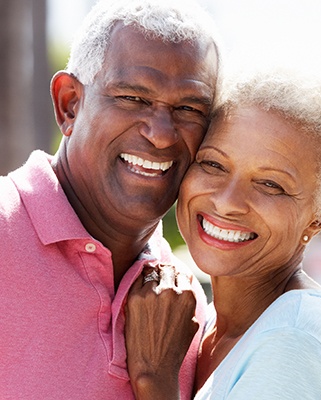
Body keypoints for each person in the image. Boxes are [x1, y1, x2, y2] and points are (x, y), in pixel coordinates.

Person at [125, 52, 321, 399]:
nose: (227, 202)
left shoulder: (294, 340)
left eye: (270, 185)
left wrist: (155, 381)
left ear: (318, 218)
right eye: (213, 164)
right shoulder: (216, 324)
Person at [0, 0, 221, 399]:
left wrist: (159, 383)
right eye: (133, 98)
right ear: (69, 104)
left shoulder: (185, 304)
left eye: (189, 108)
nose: (161, 133)